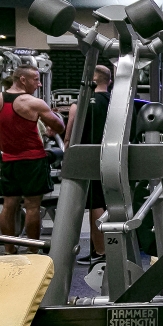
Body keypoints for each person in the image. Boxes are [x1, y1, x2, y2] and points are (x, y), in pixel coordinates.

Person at [0, 64, 65, 254]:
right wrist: (51, 125)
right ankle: (33, 250)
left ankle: (9, 250)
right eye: (36, 79)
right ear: (23, 80)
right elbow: (59, 127)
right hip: (33, 160)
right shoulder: (33, 103)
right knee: (32, 206)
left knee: (8, 205)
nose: (39, 84)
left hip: (8, 159)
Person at [65, 65, 112, 266]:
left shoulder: (80, 104)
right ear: (109, 81)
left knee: (95, 204)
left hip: (88, 159)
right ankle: (100, 248)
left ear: (90, 81)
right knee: (110, 202)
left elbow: (69, 137)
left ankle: (100, 250)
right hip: (113, 158)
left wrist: (68, 159)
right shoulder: (119, 103)